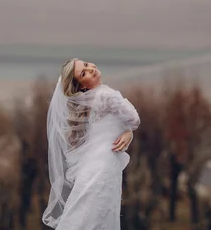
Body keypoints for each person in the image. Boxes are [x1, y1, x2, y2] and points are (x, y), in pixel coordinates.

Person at [42, 58, 141, 229]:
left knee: (84, 217)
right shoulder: (105, 95)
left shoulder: (85, 107)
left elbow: (107, 130)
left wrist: (128, 133)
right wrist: (130, 132)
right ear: (82, 87)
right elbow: (134, 119)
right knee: (98, 218)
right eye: (83, 73)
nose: (91, 69)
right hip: (103, 169)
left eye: (87, 65)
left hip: (90, 169)